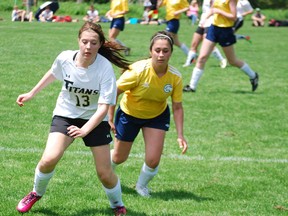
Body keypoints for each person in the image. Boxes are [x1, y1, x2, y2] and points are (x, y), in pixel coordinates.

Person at [15, 22, 131, 216]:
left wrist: (85, 130)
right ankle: (35, 193)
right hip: (65, 115)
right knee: (49, 159)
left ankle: (117, 205)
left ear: (100, 44)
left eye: (93, 43)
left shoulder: (104, 69)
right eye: (84, 42)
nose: (88, 47)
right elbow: (53, 73)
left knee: (104, 173)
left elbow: (103, 108)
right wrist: (31, 93)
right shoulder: (65, 58)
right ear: (78, 41)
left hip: (95, 120)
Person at [108, 31, 188, 197]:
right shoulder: (138, 71)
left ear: (171, 53)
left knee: (153, 159)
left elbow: (177, 106)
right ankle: (106, 172)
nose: (161, 54)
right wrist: (109, 118)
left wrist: (180, 135)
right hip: (129, 114)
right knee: (119, 157)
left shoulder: (175, 77)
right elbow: (113, 92)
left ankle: (141, 187)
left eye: (165, 51)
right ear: (151, 51)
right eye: (157, 50)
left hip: (156, 116)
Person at [183, 0, 259, 92]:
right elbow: (212, 10)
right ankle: (192, 87)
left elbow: (234, 17)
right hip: (213, 28)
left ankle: (253, 76)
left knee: (232, 61)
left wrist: (219, 11)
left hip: (225, 31)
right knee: (202, 57)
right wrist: (204, 19)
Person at [183, 0, 227, 68]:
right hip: (203, 20)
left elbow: (213, 9)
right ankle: (188, 62)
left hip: (210, 20)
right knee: (194, 43)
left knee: (208, 43)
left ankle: (222, 60)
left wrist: (206, 19)